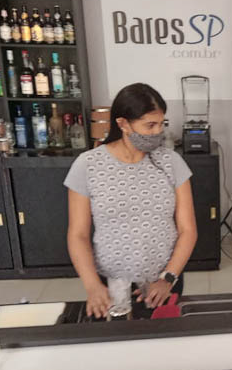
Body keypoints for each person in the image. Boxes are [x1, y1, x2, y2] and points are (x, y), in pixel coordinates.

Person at [65, 83, 197, 318]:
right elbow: (78, 234)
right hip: (110, 285)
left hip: (163, 282)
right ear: (123, 124)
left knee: (165, 336)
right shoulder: (88, 165)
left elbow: (188, 230)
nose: (158, 132)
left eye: (162, 124)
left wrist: (168, 278)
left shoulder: (172, 162)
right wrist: (92, 285)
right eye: (150, 125)